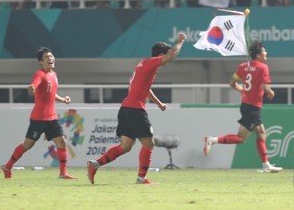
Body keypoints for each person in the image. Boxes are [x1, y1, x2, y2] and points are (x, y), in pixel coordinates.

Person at [87, 32, 187, 185]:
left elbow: (145, 89)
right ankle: (141, 178)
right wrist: (180, 42)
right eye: (164, 56)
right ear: (160, 55)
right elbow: (171, 55)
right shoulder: (150, 63)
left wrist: (158, 103)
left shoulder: (144, 65)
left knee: (125, 146)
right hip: (135, 109)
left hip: (126, 107)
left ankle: (95, 164)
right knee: (149, 143)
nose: (166, 60)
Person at [203, 41, 282, 173]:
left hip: (246, 105)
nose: (266, 53)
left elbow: (232, 82)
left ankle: (266, 165)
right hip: (253, 107)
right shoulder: (263, 67)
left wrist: (242, 90)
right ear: (258, 55)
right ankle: (212, 140)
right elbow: (264, 86)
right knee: (241, 138)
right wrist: (270, 92)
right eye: (264, 51)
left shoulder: (243, 66)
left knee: (261, 133)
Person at [1, 47, 75, 179]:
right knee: (27, 145)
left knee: (61, 142)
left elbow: (51, 93)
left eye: (51, 56)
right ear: (41, 62)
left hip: (52, 118)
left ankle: (63, 173)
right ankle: (7, 166)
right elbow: (35, 84)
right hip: (38, 119)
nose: (50, 59)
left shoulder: (54, 74)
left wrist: (62, 99)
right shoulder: (40, 74)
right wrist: (32, 88)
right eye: (46, 57)